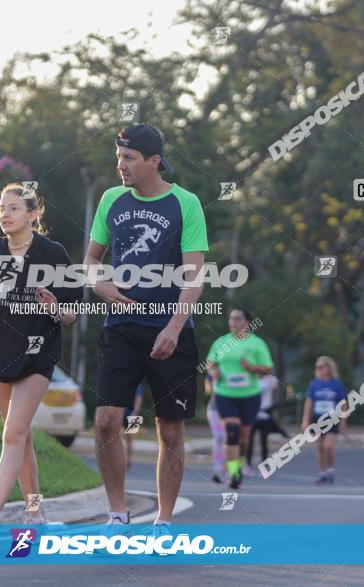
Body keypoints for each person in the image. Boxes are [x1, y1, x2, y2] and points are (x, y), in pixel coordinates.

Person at [85, 123, 208, 537]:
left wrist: (174, 326)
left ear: (154, 161)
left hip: (170, 330)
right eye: (118, 156)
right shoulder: (111, 200)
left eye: (129, 158)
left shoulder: (185, 203)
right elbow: (91, 260)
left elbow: (194, 276)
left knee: (169, 429)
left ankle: (164, 521)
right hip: (120, 327)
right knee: (105, 421)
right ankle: (118, 516)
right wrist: (100, 284)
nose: (120, 165)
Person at [0, 183, 82, 531]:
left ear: (33, 214)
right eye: (1, 209)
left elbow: (72, 314)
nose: (5, 214)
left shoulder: (53, 254)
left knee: (12, 433)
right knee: (20, 438)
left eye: (13, 208)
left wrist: (57, 310)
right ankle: (36, 515)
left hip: (37, 357)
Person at [205, 308, 274, 489]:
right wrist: (213, 371)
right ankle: (234, 474)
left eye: (237, 318)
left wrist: (250, 367)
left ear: (247, 323)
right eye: (231, 319)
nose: (233, 322)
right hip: (225, 394)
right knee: (232, 431)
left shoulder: (257, 344)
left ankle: (238, 466)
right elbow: (209, 362)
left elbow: (268, 369)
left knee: (244, 437)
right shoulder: (222, 342)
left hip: (250, 395)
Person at [302, 355, 348, 485]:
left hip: (332, 419)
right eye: (318, 367)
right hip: (317, 419)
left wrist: (343, 420)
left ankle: (331, 470)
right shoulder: (314, 383)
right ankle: (322, 473)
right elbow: (309, 402)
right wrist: (305, 420)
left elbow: (343, 403)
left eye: (322, 366)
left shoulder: (336, 383)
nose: (320, 369)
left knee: (328, 446)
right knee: (320, 447)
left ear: (329, 367)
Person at [245, 373, 289, 470]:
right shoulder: (250, 379)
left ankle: (264, 462)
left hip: (265, 413)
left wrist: (268, 373)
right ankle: (248, 463)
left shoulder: (270, 379)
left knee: (263, 439)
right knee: (250, 439)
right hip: (252, 413)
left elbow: (275, 386)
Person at [204, 373, 227, 483]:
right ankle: (217, 469)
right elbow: (208, 391)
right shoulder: (211, 375)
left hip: (229, 409)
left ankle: (228, 468)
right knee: (219, 438)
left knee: (229, 438)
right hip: (214, 410)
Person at [123, 384, 145, 469]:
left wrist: (135, 412)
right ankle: (121, 458)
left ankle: (128, 459)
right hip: (121, 411)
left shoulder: (138, 385)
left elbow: (139, 399)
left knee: (130, 437)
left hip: (132, 413)